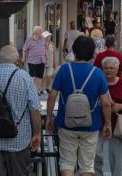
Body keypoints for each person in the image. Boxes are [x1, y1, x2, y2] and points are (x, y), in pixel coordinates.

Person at [46, 36, 112, 176]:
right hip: (91, 125)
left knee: (66, 162)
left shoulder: (63, 70)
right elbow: (106, 103)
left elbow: (52, 95)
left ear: (74, 51)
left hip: (66, 124)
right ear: (92, 52)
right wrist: (108, 123)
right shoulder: (98, 73)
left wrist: (49, 117)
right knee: (87, 165)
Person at [0, 45, 41, 176]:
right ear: (16, 59)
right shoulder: (24, 77)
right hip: (18, 141)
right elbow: (35, 110)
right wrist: (37, 134)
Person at [94, 57, 122, 176]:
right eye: (105, 68)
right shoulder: (98, 82)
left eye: (111, 68)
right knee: (96, 153)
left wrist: (121, 106)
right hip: (98, 122)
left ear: (117, 69)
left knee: (115, 156)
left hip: (117, 123)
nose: (108, 70)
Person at [23, 26, 46, 95]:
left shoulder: (42, 38)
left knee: (39, 76)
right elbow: (24, 49)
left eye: (41, 31)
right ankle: (33, 90)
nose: (41, 33)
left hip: (41, 61)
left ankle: (37, 90)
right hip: (32, 61)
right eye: (40, 31)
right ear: (35, 32)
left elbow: (45, 47)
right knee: (33, 76)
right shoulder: (29, 39)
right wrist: (24, 57)